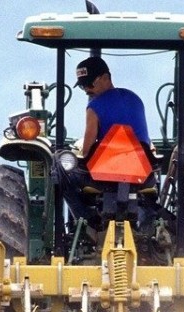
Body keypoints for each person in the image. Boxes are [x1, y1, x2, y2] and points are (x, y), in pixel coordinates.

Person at [58, 56, 152, 229]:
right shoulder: (135, 99)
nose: (87, 90)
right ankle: (149, 223)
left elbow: (85, 151)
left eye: (90, 84)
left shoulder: (94, 107)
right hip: (141, 174)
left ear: (106, 78)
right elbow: (144, 139)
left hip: (105, 177)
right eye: (82, 86)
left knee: (59, 169)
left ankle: (85, 221)